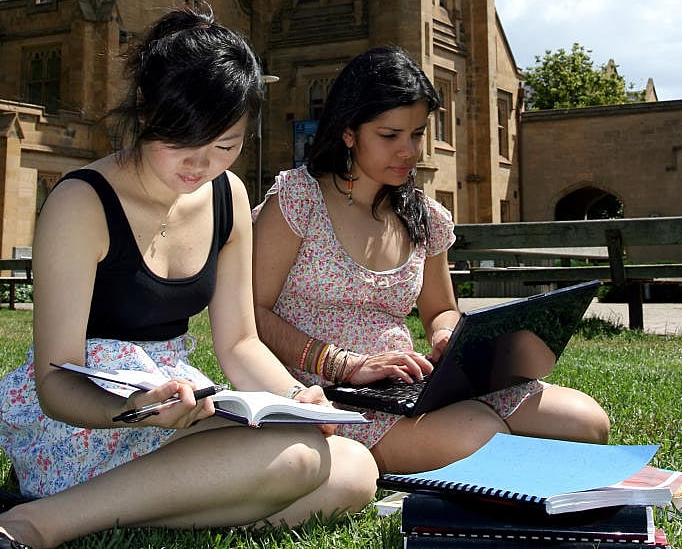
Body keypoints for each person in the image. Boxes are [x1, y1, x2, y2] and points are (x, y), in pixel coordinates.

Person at [0, 9, 377, 549]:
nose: (202, 165)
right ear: (144, 107)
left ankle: (92, 511)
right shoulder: (81, 202)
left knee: (354, 472)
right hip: (87, 419)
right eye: (184, 140)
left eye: (226, 146)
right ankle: (22, 525)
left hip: (178, 406)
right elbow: (55, 378)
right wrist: (133, 409)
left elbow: (239, 344)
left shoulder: (227, 196)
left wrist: (294, 399)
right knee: (302, 464)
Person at [253, 46, 610, 478]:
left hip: (409, 384)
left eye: (417, 134)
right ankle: (501, 465)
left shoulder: (423, 217)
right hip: (327, 392)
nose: (408, 150)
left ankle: (507, 464)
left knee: (587, 422)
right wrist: (344, 364)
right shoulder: (298, 199)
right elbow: (251, 313)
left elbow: (440, 309)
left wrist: (446, 338)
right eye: (390, 135)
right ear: (349, 132)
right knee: (480, 436)